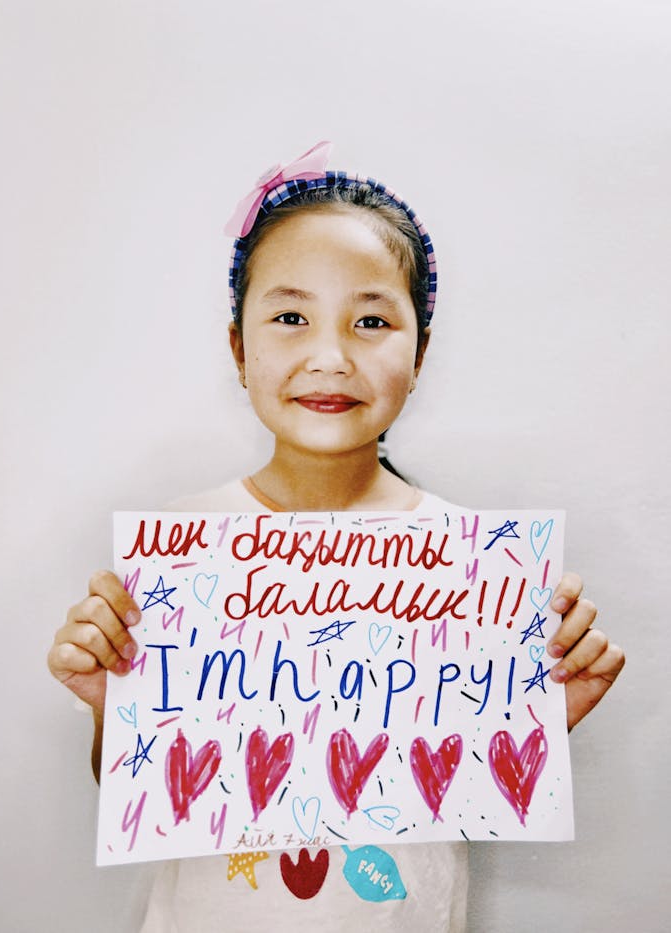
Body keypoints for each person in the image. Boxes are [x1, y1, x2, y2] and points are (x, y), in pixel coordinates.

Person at [47, 142, 625, 932]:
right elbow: (143, 784)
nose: (329, 356)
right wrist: (109, 707)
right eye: (291, 317)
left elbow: (459, 783)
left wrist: (535, 718)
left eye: (371, 321)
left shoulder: (472, 570)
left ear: (420, 353)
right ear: (239, 347)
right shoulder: (182, 546)